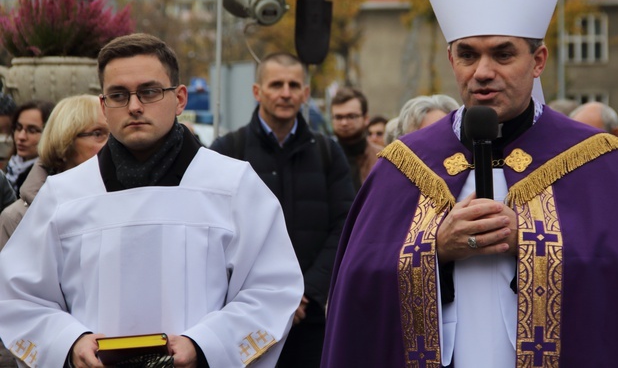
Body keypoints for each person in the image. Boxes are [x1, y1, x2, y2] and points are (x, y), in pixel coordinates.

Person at [321, 0, 618, 367]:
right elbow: (357, 284)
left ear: (538, 62)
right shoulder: (403, 167)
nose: (483, 72)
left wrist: (535, 241)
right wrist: (430, 249)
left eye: (503, 54)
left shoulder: (600, 161)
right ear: (451, 60)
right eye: (468, 54)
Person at [0, 33, 303, 367]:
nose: (134, 106)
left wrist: (204, 345)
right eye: (118, 95)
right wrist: (69, 342)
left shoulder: (232, 185)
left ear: (180, 98)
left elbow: (272, 289)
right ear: (104, 106)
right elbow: (18, 296)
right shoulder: (64, 195)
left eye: (149, 91)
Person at [210, 52, 354, 368]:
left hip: (311, 317)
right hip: (244, 318)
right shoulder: (227, 152)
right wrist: (267, 300)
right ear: (257, 91)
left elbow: (346, 224)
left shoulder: (329, 154)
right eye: (276, 84)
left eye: (293, 85)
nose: (285, 93)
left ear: (305, 93)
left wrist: (305, 292)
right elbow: (211, 231)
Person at [0, 95, 109, 250]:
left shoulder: (124, 198)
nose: (111, 144)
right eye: (98, 134)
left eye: (112, 134)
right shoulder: (18, 217)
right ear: (65, 140)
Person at [330, 87, 383, 191]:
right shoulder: (322, 157)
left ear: (366, 119)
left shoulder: (381, 160)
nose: (344, 123)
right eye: (338, 117)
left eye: (351, 116)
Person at [5, 99, 54, 198]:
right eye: (18, 128)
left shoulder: (50, 181)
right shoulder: (10, 168)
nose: (21, 137)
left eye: (32, 130)